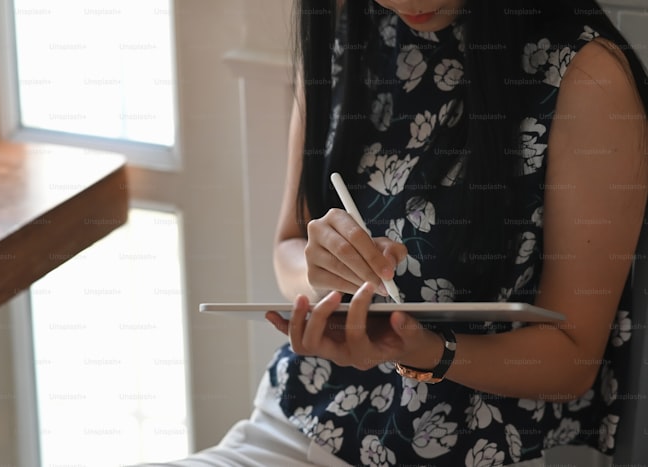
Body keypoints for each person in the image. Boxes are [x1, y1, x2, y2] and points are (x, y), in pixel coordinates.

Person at [143, 0, 648, 465]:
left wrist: (426, 351)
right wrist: (324, 276)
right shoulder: (347, 29)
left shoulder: (585, 77)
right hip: (291, 425)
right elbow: (288, 251)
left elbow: (574, 359)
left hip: (468, 448)